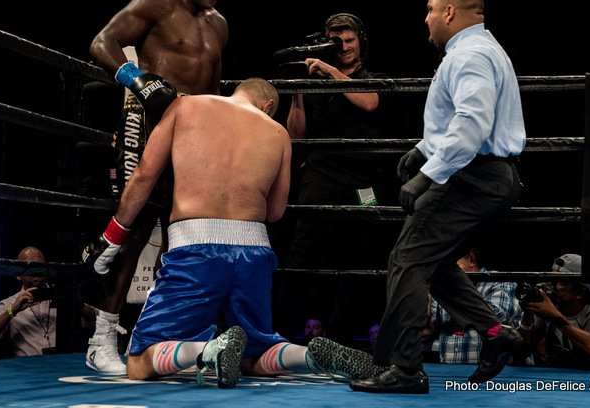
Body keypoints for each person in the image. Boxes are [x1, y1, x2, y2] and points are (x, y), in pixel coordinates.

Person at [93, 78, 382, 387]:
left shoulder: (186, 106)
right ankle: (307, 356)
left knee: (139, 362)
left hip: (196, 247)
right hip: (254, 253)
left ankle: (209, 349)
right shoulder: (279, 133)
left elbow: (143, 177)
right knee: (255, 354)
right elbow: (275, 213)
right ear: (268, 106)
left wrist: (112, 235)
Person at [350, 0, 526, 394]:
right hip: (482, 174)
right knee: (433, 261)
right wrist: (423, 148)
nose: (426, 19)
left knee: (407, 260)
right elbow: (459, 121)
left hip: (473, 177)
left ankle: (406, 368)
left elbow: (472, 122)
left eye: (430, 9)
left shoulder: (472, 55)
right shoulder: (477, 50)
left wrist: (430, 172)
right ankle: (496, 332)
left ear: (449, 11)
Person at [82, 0, 233, 375]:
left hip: (193, 135)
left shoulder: (219, 25)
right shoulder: (157, 1)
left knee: (182, 237)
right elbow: (102, 42)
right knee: (135, 228)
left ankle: (161, 340)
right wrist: (138, 80)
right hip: (148, 126)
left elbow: (215, 89)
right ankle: (102, 337)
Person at [279, 13, 392, 343]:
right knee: (303, 255)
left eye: (348, 39)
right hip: (321, 175)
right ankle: (284, 335)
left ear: (360, 42)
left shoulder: (374, 78)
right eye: (335, 39)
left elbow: (369, 103)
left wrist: (328, 71)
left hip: (364, 182)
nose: (342, 45)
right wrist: (298, 93)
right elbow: (297, 137)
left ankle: (342, 339)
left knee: (357, 262)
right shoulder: (315, 82)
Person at [0, 246, 96, 357]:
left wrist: (76, 303)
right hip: (27, 370)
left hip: (61, 365)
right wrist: (12, 311)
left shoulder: (62, 295)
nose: (36, 272)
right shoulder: (11, 303)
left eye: (39, 267)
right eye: (30, 267)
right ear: (18, 275)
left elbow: (99, 321)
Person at [518, 253, 590, 370]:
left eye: (561, 282)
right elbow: (520, 351)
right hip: (557, 380)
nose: (553, 287)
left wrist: (556, 317)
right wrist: (527, 316)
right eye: (552, 281)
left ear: (579, 292)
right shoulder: (548, 310)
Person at [428, 247, 523, 364]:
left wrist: (454, 295)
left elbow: (495, 319)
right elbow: (432, 324)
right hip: (447, 368)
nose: (445, 270)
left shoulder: (497, 280)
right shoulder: (443, 284)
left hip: (489, 372)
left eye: (450, 264)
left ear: (471, 260)